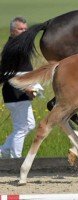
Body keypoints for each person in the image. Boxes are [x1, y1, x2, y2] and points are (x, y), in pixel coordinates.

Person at [0, 16, 36, 158]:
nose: (24, 32)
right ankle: (16, 160)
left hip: (19, 93)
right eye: (21, 29)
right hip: (15, 94)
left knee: (30, 125)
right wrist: (25, 88)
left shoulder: (19, 46)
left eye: (26, 29)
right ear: (12, 31)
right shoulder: (12, 48)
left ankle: (3, 150)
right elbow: (7, 73)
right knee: (21, 128)